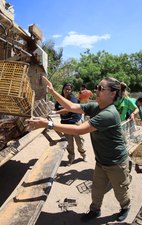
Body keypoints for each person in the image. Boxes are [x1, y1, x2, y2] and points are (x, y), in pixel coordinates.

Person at [26, 76, 131, 222]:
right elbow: (71, 106)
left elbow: (80, 130)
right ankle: (95, 210)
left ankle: (125, 207)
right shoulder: (96, 106)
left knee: (120, 191)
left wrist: (48, 124)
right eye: (97, 87)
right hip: (101, 161)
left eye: (101, 88)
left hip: (116, 162)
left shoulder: (109, 114)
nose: (96, 90)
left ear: (112, 94)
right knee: (97, 189)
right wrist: (52, 91)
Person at [54, 83, 86, 165]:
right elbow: (56, 107)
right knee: (69, 143)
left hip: (75, 123)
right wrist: (52, 110)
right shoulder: (59, 100)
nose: (67, 90)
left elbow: (68, 109)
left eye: (69, 89)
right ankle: (71, 158)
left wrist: (55, 112)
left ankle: (83, 154)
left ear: (71, 91)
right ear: (63, 89)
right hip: (65, 124)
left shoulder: (73, 99)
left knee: (79, 142)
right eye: (66, 89)